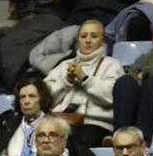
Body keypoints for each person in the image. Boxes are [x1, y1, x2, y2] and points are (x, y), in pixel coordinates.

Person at [43, 19, 123, 149]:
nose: (88, 40)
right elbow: (43, 98)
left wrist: (85, 78)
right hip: (60, 122)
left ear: (102, 41)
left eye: (94, 36)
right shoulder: (64, 66)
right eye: (83, 36)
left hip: (95, 124)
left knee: (72, 140)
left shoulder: (112, 64)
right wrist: (66, 82)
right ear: (78, 40)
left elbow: (111, 97)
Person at [0, 75, 55, 156]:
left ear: (42, 99)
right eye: (22, 97)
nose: (26, 101)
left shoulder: (55, 125)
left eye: (32, 96)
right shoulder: (9, 125)